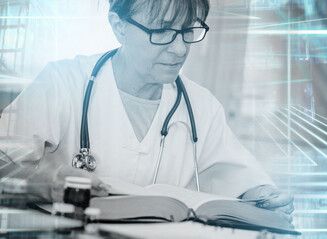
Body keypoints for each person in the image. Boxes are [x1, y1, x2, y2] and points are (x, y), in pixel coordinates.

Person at [0, 0, 293, 220]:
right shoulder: (62, 82)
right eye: (163, 31)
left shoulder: (202, 106)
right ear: (119, 26)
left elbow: (244, 183)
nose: (180, 49)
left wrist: (266, 198)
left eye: (188, 30)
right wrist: (44, 184)